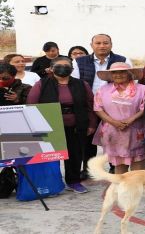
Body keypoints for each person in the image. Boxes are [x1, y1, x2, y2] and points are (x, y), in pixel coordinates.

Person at [26, 56, 96, 193]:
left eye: (67, 65)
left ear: (72, 69)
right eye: (59, 65)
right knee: (51, 156)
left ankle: (74, 181)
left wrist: (92, 124)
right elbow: (31, 104)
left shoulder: (82, 84)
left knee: (75, 154)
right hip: (50, 125)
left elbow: (90, 105)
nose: (63, 68)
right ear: (51, 69)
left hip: (76, 125)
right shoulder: (42, 84)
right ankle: (53, 184)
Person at [71, 33, 133, 178]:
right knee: (87, 139)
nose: (102, 46)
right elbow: (75, 84)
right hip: (89, 106)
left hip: (115, 106)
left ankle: (115, 166)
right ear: (91, 45)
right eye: (98, 43)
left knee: (116, 137)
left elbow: (131, 83)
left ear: (111, 45)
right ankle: (88, 169)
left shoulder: (122, 60)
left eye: (105, 43)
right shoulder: (79, 61)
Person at [93, 62, 145, 174]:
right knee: (119, 168)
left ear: (130, 74)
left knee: (139, 169)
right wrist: (114, 122)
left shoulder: (143, 89)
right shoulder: (103, 90)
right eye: (114, 72)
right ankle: (120, 190)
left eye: (122, 72)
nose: (118, 74)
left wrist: (130, 119)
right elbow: (98, 108)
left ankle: (136, 190)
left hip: (136, 131)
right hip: (113, 132)